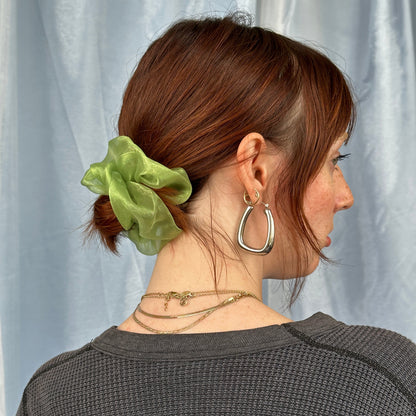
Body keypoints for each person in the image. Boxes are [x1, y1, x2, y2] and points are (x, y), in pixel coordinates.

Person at [18, 14, 416, 416]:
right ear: (255, 169)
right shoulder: (376, 378)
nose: (345, 197)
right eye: (333, 160)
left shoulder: (53, 394)